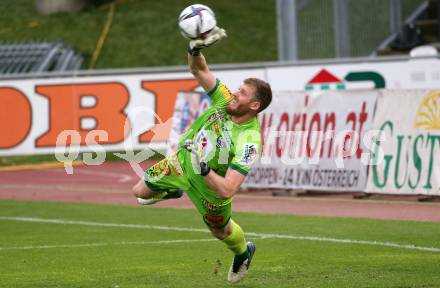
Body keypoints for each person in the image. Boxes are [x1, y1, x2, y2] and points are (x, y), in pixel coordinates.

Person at [132, 26, 272, 283]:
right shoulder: (224, 100)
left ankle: (243, 252)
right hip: (182, 162)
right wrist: (194, 47)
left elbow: (228, 189)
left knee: (220, 231)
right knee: (139, 193)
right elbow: (199, 70)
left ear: (254, 105)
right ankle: (172, 190)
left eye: (242, 93)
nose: (234, 93)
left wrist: (205, 169)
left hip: (210, 185)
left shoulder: (249, 140)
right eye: (237, 88)